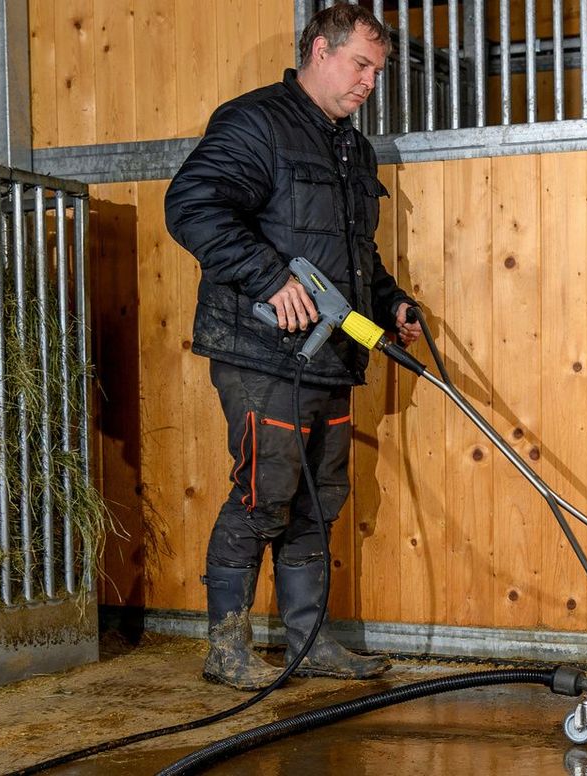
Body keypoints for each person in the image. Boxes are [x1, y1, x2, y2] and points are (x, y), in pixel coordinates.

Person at [164, 3, 420, 691]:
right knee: (264, 492)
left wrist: (390, 302)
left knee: (317, 498)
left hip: (329, 354)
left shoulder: (352, 148)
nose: (369, 82)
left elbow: (354, 255)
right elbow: (192, 206)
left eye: (377, 71)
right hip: (261, 351)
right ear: (319, 51)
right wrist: (270, 278)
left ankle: (310, 643)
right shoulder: (257, 123)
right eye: (361, 65)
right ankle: (227, 649)